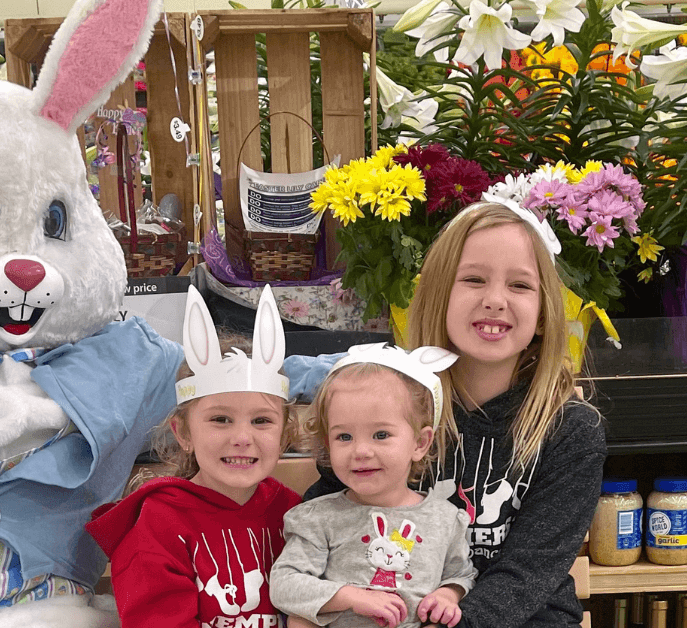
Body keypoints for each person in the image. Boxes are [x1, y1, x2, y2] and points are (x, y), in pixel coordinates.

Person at [301, 201, 607, 628]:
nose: (495, 300)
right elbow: (324, 514)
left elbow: (527, 575)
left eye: (520, 285)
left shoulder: (571, 430)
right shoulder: (384, 405)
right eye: (474, 279)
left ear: (543, 314)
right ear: (439, 295)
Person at [86, 285, 301, 628]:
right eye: (220, 420)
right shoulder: (158, 526)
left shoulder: (294, 512)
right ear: (183, 433)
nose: (242, 438)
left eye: (261, 421)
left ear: (285, 435)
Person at [270, 344, 477, 628]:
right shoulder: (316, 517)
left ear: (420, 443)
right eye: (344, 437)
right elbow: (284, 585)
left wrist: (448, 595)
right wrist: (351, 597)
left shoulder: (447, 519)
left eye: (380, 434)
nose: (361, 451)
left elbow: (462, 574)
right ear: (328, 444)